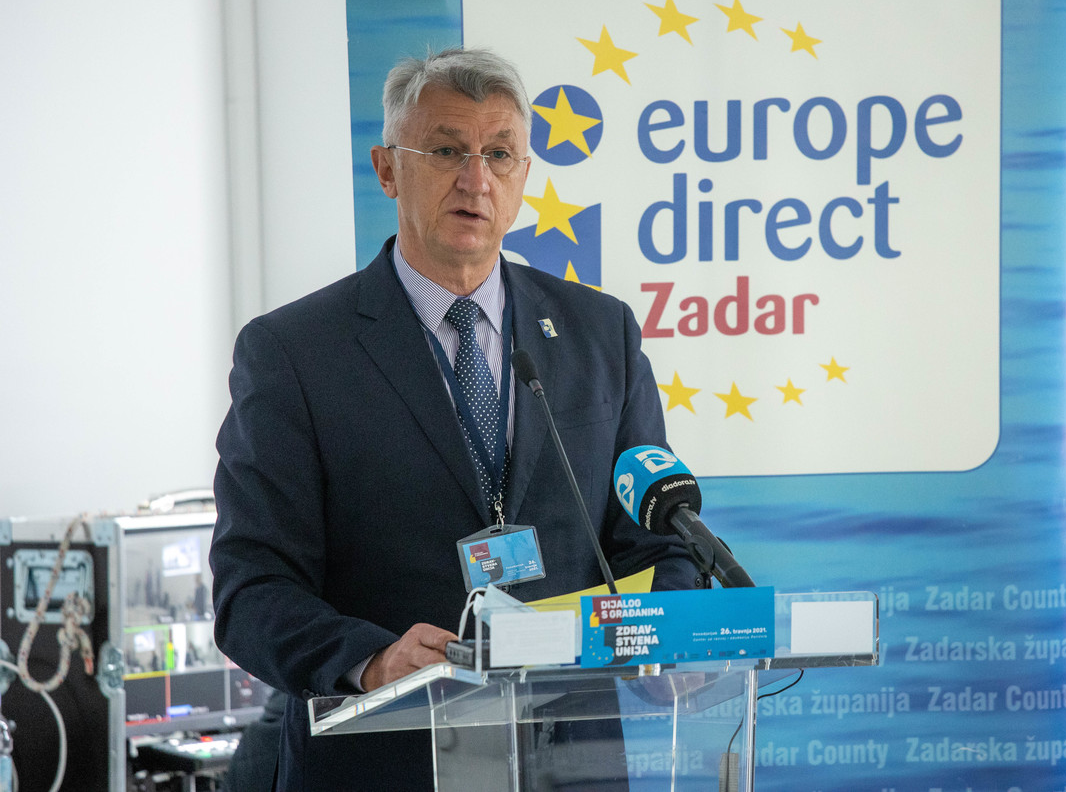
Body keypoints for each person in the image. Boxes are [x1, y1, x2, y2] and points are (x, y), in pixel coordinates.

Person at [209, 47, 703, 790]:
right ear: (387, 169)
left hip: (573, 762)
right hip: (384, 763)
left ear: (523, 176)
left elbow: (658, 543)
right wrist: (372, 660)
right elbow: (251, 588)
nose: (476, 180)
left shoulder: (601, 334)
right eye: (446, 152)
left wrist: (669, 632)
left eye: (499, 154)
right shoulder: (294, 353)